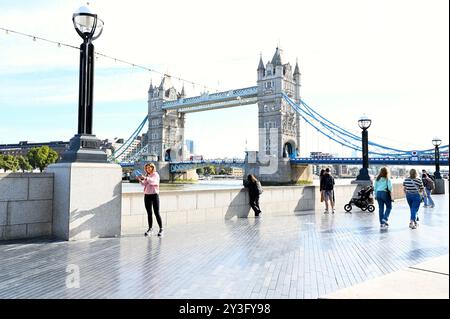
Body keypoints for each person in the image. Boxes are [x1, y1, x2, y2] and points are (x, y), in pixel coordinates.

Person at [136, 163, 164, 237]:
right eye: (146, 168)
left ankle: (161, 229)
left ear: (152, 168)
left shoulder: (156, 175)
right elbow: (145, 184)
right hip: (147, 195)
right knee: (149, 213)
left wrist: (145, 178)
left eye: (149, 168)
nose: (147, 169)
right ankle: (150, 229)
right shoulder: (147, 176)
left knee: (156, 213)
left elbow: (154, 182)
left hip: (154, 195)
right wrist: (140, 180)